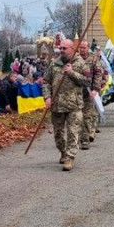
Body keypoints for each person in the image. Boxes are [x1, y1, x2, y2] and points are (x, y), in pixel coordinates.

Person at [43, 39, 89, 171]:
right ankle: (63, 152)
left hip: (74, 105)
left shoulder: (80, 63)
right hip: (57, 104)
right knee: (58, 133)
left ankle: (70, 157)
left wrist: (71, 73)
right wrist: (47, 97)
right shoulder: (54, 64)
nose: (61, 50)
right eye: (60, 48)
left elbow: (87, 81)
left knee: (73, 132)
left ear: (72, 48)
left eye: (64, 48)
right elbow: (46, 82)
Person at [78, 41, 105, 150]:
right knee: (76, 117)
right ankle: (78, 137)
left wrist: (95, 89)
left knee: (86, 116)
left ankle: (85, 139)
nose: (82, 49)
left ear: (88, 48)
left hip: (88, 92)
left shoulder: (93, 59)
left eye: (84, 47)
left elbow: (98, 74)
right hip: (76, 92)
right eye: (80, 47)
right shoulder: (76, 58)